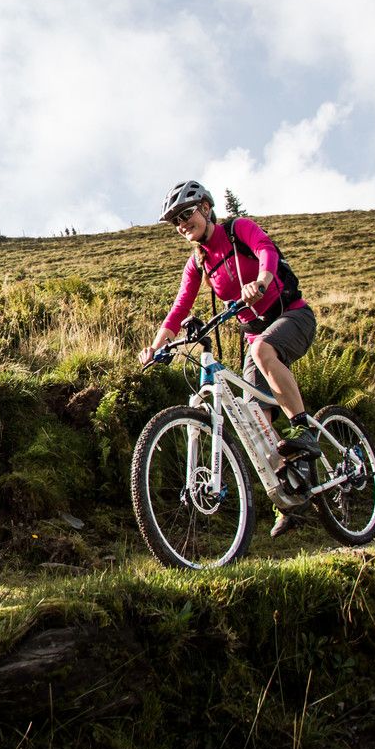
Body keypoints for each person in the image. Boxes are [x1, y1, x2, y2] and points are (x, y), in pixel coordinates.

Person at [141, 180, 321, 536]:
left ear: (206, 209)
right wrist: (156, 345)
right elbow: (179, 308)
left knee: (261, 350)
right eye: (175, 221)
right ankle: (289, 499)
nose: (181, 224)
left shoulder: (239, 230)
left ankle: (304, 427)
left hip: (293, 317)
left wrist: (263, 281)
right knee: (257, 418)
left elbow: (266, 249)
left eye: (186, 214)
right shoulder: (198, 263)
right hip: (257, 336)